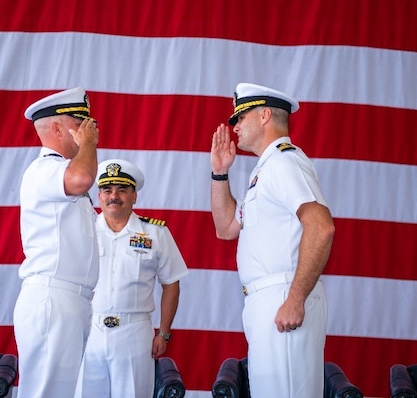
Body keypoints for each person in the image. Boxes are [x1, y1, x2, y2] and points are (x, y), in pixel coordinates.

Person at [210, 82, 335, 397]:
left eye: (240, 117)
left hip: (283, 295)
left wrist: (295, 299)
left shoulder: (283, 161)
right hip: (266, 300)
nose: (234, 126)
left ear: (264, 115)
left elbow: (321, 227)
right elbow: (226, 228)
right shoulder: (263, 170)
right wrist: (220, 173)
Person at [75, 159, 189, 398]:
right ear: (99, 196)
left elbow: (171, 283)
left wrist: (164, 332)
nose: (113, 196)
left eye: (122, 189)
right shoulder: (82, 230)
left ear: (134, 196)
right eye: (107, 190)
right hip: (88, 331)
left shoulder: (155, 232)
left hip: (134, 333)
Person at [14, 87, 100, 398]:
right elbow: (82, 179)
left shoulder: (57, 171)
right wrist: (88, 145)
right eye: (81, 124)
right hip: (53, 297)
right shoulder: (44, 170)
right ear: (56, 128)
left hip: (72, 301)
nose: (89, 131)